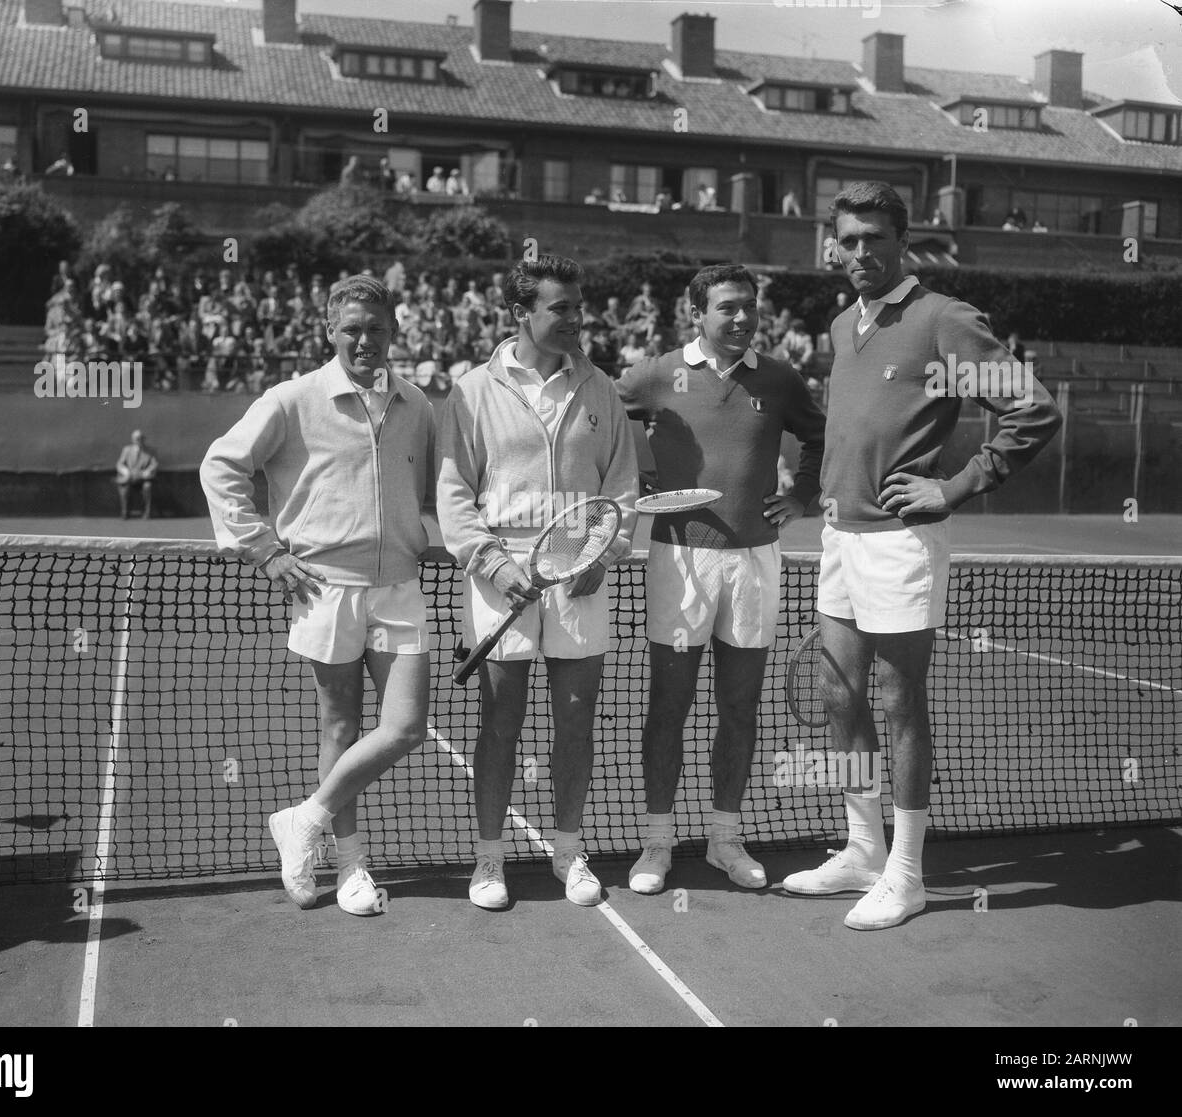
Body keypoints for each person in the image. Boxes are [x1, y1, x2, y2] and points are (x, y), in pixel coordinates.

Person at [785, 181, 1060, 930]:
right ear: (833, 246)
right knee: (840, 694)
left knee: (901, 702)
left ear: (902, 241)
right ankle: (862, 850)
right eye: (849, 239)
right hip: (839, 539)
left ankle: (906, 874)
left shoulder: (944, 318)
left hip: (902, 541)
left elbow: (1033, 408)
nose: (862, 251)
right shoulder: (844, 324)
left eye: (876, 237)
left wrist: (959, 484)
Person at [200, 276, 436, 916]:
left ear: (394, 331)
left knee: (407, 725)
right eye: (352, 328)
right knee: (341, 726)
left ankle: (305, 820)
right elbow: (220, 466)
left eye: (377, 328)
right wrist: (265, 550)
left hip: (400, 588)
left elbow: (444, 489)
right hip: (324, 589)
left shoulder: (417, 404)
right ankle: (352, 866)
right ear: (330, 331)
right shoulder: (291, 399)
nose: (365, 339)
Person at [615, 264, 826, 894]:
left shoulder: (780, 378)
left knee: (739, 708)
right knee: (669, 707)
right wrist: (634, 471)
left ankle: (724, 839)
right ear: (696, 314)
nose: (740, 319)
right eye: (726, 308)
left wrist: (805, 493)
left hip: (756, 562)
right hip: (680, 560)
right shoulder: (656, 374)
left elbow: (820, 437)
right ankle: (657, 843)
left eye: (748, 308)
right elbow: (596, 409)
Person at [437, 253, 638, 910]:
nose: (576, 319)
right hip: (501, 579)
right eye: (562, 308)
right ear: (522, 313)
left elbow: (622, 489)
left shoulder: (601, 388)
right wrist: (495, 564)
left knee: (575, 722)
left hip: (582, 576)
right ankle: (489, 859)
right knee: (501, 721)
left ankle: (569, 850)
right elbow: (455, 498)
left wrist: (601, 556)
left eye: (579, 307)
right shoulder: (469, 392)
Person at [115, 430, 158, 519]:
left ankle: (147, 512)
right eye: (137, 438)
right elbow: (120, 464)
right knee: (124, 489)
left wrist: (148, 471)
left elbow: (154, 464)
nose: (139, 440)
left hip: (143, 478)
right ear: (133, 440)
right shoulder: (126, 450)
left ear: (144, 439)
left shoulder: (150, 451)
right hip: (130, 477)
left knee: (148, 486)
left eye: (141, 438)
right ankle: (125, 512)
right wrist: (125, 471)